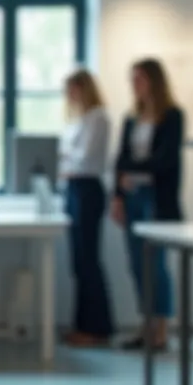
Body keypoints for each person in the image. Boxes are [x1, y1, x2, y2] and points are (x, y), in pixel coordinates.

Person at [111, 58, 184, 351]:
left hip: (157, 199)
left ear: (154, 81)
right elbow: (119, 160)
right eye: (132, 79)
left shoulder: (173, 116)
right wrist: (117, 195)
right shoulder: (131, 118)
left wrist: (133, 167)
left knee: (156, 264)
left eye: (139, 78)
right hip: (132, 197)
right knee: (136, 264)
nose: (134, 85)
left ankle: (161, 330)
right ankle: (145, 325)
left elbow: (165, 161)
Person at [60, 70, 116, 347]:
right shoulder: (79, 120)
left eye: (71, 90)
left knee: (88, 260)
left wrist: (66, 160)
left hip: (87, 190)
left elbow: (85, 158)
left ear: (83, 89)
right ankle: (81, 325)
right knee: (78, 262)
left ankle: (97, 328)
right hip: (73, 189)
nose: (68, 96)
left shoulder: (98, 118)